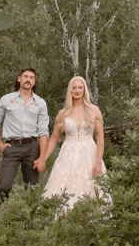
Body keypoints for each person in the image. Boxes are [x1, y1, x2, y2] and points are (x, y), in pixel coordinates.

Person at [35, 75, 108, 207]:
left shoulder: (94, 110)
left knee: (90, 187)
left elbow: (100, 137)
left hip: (89, 154)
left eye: (80, 87)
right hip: (68, 154)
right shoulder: (63, 113)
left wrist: (98, 161)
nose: (77, 90)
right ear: (70, 91)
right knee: (61, 186)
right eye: (74, 88)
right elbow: (54, 139)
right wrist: (43, 159)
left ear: (84, 90)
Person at [0, 67, 49, 203]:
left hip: (32, 147)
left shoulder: (40, 103)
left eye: (31, 77)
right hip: (12, 147)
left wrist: (42, 157)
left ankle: (30, 221)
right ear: (19, 79)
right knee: (4, 186)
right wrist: (1, 146)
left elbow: (44, 132)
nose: (28, 79)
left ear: (34, 82)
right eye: (25, 76)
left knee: (32, 188)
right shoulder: (6, 100)